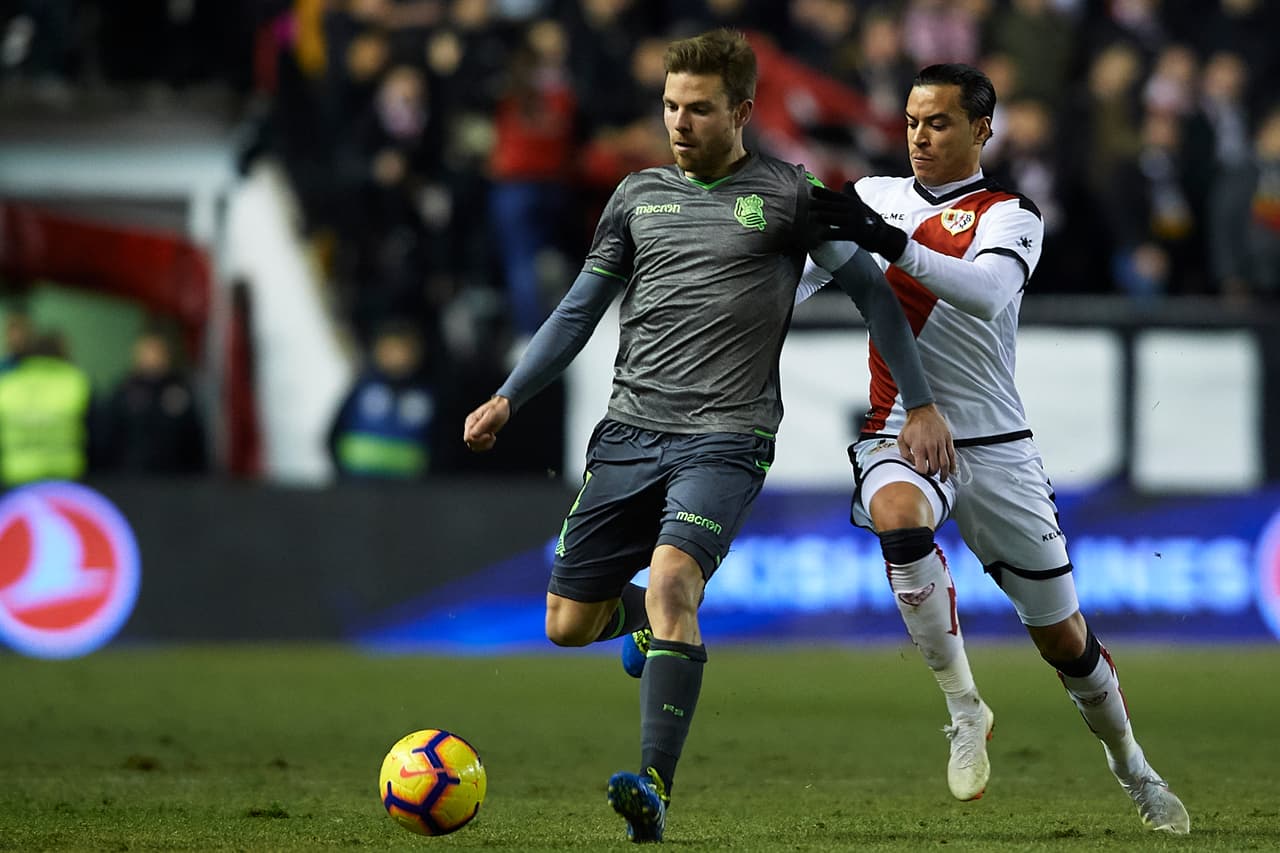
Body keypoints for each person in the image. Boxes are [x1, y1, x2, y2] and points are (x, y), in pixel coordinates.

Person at [463, 29, 954, 844]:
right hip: (627, 432)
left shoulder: (791, 196)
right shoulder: (635, 197)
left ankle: (652, 785)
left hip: (727, 437)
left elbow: (875, 293)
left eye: (697, 109)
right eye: (669, 107)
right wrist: (510, 395)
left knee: (672, 583)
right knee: (566, 623)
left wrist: (925, 404)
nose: (679, 123)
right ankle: (649, 629)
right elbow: (580, 309)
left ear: (742, 111)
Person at [802, 63, 1190, 833]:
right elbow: (804, 278)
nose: (920, 135)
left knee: (1065, 640)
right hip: (901, 428)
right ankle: (964, 707)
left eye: (939, 121)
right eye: (912, 120)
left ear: (982, 130)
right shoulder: (875, 196)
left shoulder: (1011, 214)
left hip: (999, 446)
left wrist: (891, 245)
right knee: (899, 521)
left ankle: (1133, 767)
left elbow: (983, 293)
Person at [328, 318, 437, 480]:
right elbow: (333, 435)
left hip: (409, 491)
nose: (397, 356)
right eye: (391, 349)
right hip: (356, 485)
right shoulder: (362, 389)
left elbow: (438, 444)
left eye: (402, 349)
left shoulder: (427, 396)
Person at [98, 328, 208, 475]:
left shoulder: (180, 391)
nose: (149, 357)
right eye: (145, 351)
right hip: (130, 477)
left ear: (166, 355)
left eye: (155, 351)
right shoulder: (125, 390)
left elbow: (195, 438)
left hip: (174, 479)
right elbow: (109, 435)